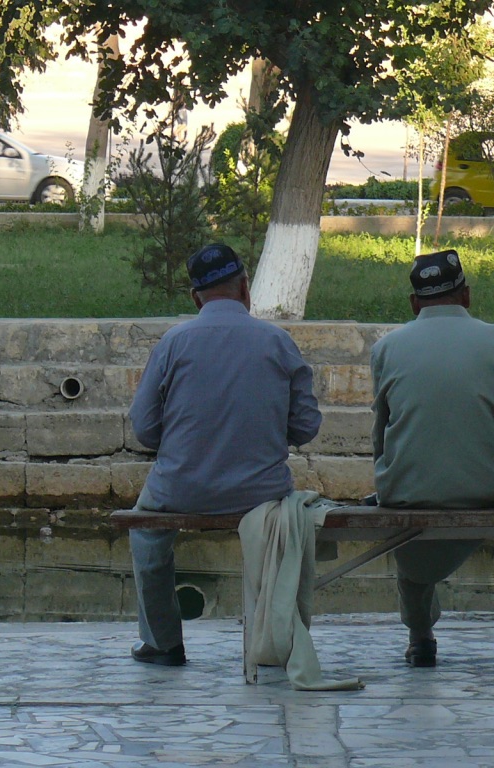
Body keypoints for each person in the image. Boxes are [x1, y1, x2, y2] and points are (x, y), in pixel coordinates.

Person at [127, 243, 322, 666]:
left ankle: (162, 642)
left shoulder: (173, 343)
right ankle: (272, 639)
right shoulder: (278, 341)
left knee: (146, 531)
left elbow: (143, 428)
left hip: (179, 488)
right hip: (261, 493)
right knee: (278, 530)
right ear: (245, 288)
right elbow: (306, 427)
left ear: (195, 297)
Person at [369, 249, 494, 667]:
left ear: (414, 303)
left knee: (411, 549)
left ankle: (420, 635)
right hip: (493, 491)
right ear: (466, 295)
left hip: (409, 491)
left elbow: (383, 428)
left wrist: (390, 474)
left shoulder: (387, 349)